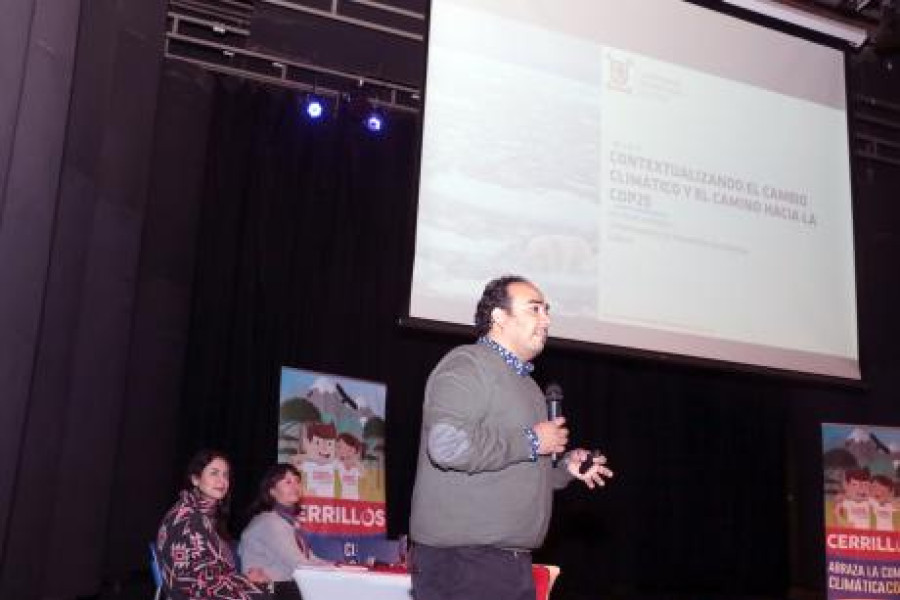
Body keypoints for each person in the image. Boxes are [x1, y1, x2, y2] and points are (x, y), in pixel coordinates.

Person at [409, 275, 614, 600]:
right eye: (534, 309)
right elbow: (447, 446)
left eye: (546, 310)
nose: (546, 320)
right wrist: (532, 441)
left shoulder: (528, 386)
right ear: (499, 317)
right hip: (463, 561)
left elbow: (518, 467)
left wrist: (564, 469)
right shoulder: (468, 365)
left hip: (508, 562)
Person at [156, 449, 273, 600]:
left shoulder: (201, 514)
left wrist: (246, 581)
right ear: (195, 479)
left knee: (273, 590)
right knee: (272, 593)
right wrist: (250, 584)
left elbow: (212, 575)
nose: (222, 481)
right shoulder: (189, 520)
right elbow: (198, 586)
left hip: (209, 590)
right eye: (214, 473)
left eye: (225, 475)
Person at [239, 464, 331, 599]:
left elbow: (310, 559)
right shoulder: (269, 522)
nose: (295, 486)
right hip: (266, 592)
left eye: (297, 481)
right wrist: (336, 573)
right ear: (272, 491)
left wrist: (337, 567)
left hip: (283, 588)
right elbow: (299, 564)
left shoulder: (287, 521)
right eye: (288, 482)